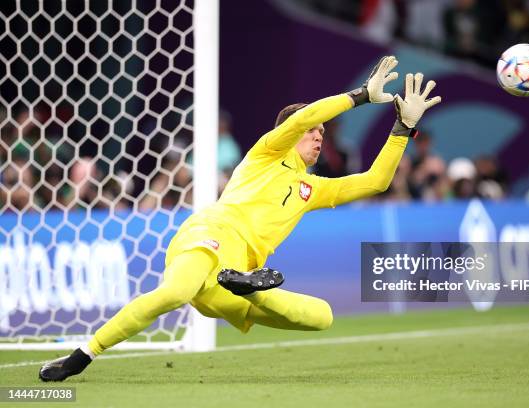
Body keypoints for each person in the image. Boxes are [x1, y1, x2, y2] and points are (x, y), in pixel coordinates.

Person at [38, 56, 442, 381]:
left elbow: (375, 181)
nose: (319, 135)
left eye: (323, 132)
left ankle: (250, 287)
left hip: (235, 277)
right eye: (312, 131)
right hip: (210, 235)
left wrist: (403, 126)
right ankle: (81, 356)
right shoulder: (267, 152)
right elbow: (301, 118)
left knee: (323, 317)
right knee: (176, 293)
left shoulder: (313, 188)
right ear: (289, 132)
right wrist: (358, 96)